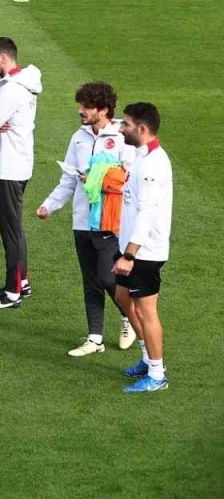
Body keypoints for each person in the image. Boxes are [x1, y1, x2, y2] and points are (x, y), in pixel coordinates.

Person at [36, 82, 137, 356]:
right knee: (91, 281)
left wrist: (97, 178)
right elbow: (68, 179)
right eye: (81, 105)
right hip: (82, 221)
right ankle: (95, 338)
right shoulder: (78, 137)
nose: (81, 111)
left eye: (87, 106)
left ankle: (128, 315)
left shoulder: (122, 137)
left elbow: (129, 179)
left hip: (109, 221)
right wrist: (49, 205)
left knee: (107, 278)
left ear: (103, 110)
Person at [0, 37, 42, 310]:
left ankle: (13, 291)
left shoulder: (11, 90)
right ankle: (21, 281)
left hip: (8, 167)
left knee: (11, 231)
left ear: (3, 58)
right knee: (14, 227)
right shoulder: (23, 83)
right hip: (19, 162)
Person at [113, 102, 172, 393]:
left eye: (126, 124)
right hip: (130, 245)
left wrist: (129, 254)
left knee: (147, 310)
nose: (121, 128)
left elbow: (147, 212)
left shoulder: (152, 165)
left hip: (143, 252)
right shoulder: (141, 155)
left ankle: (157, 374)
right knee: (123, 297)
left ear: (142, 129)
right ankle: (148, 358)